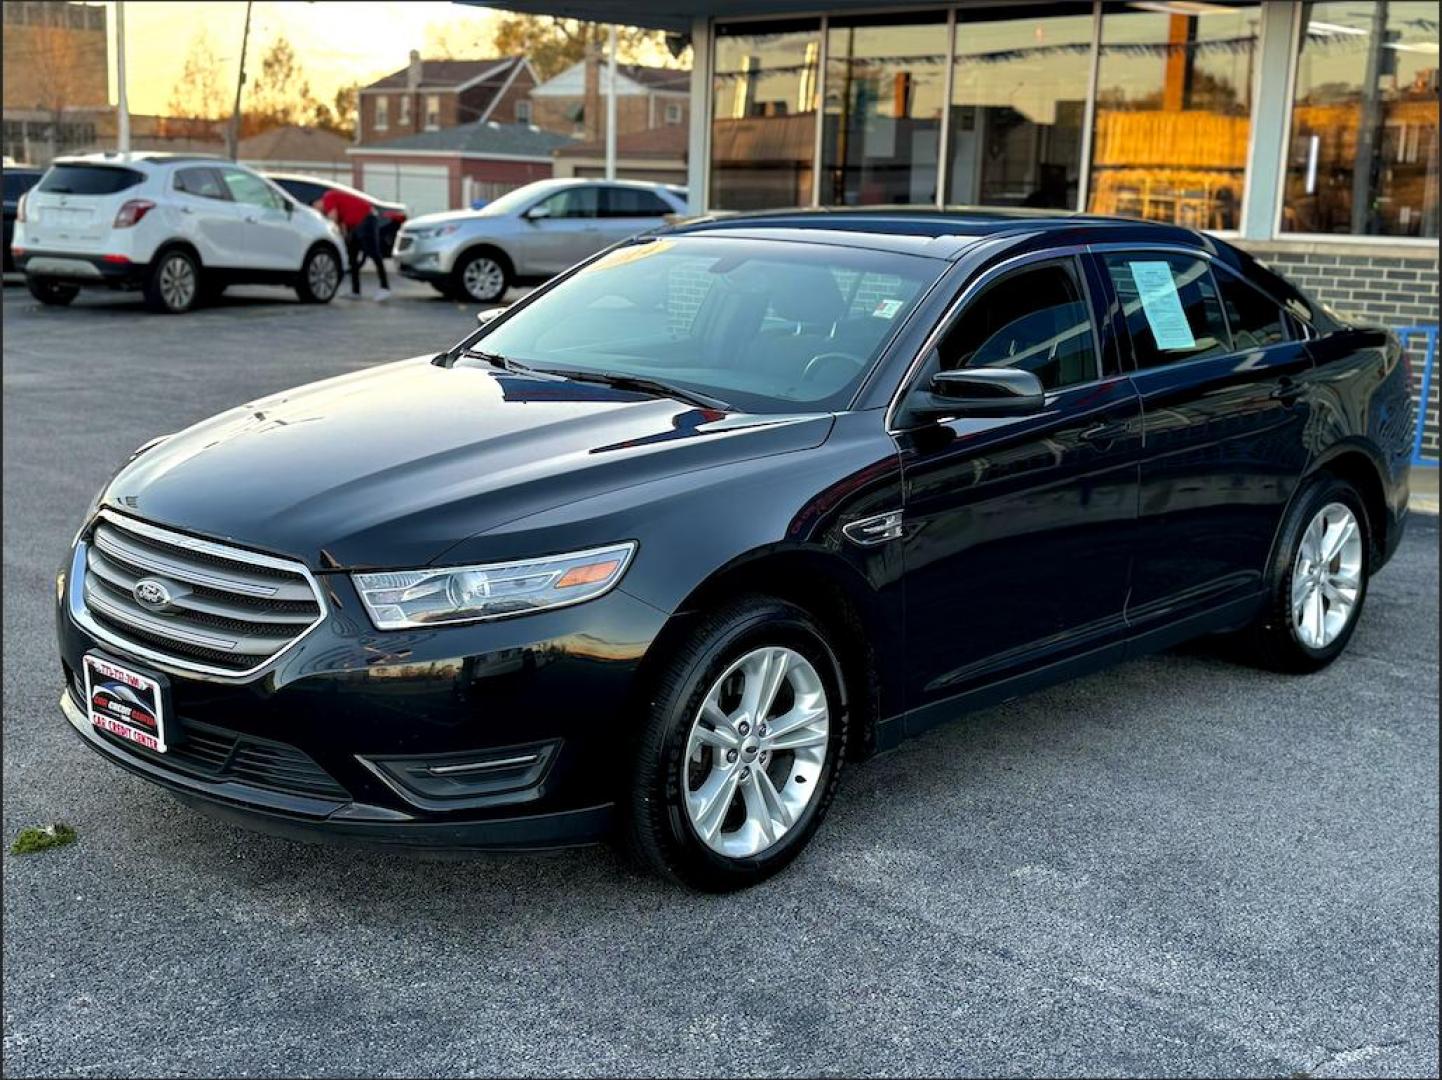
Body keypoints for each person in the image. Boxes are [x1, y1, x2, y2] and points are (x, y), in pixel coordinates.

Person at [313, 186, 390, 301]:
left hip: (366, 218)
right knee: (352, 256)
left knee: (373, 253)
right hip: (356, 224)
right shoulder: (335, 204)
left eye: (316, 208)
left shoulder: (328, 197)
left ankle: (385, 287)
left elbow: (332, 220)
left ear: (317, 202)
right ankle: (355, 291)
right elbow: (341, 227)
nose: (319, 211)